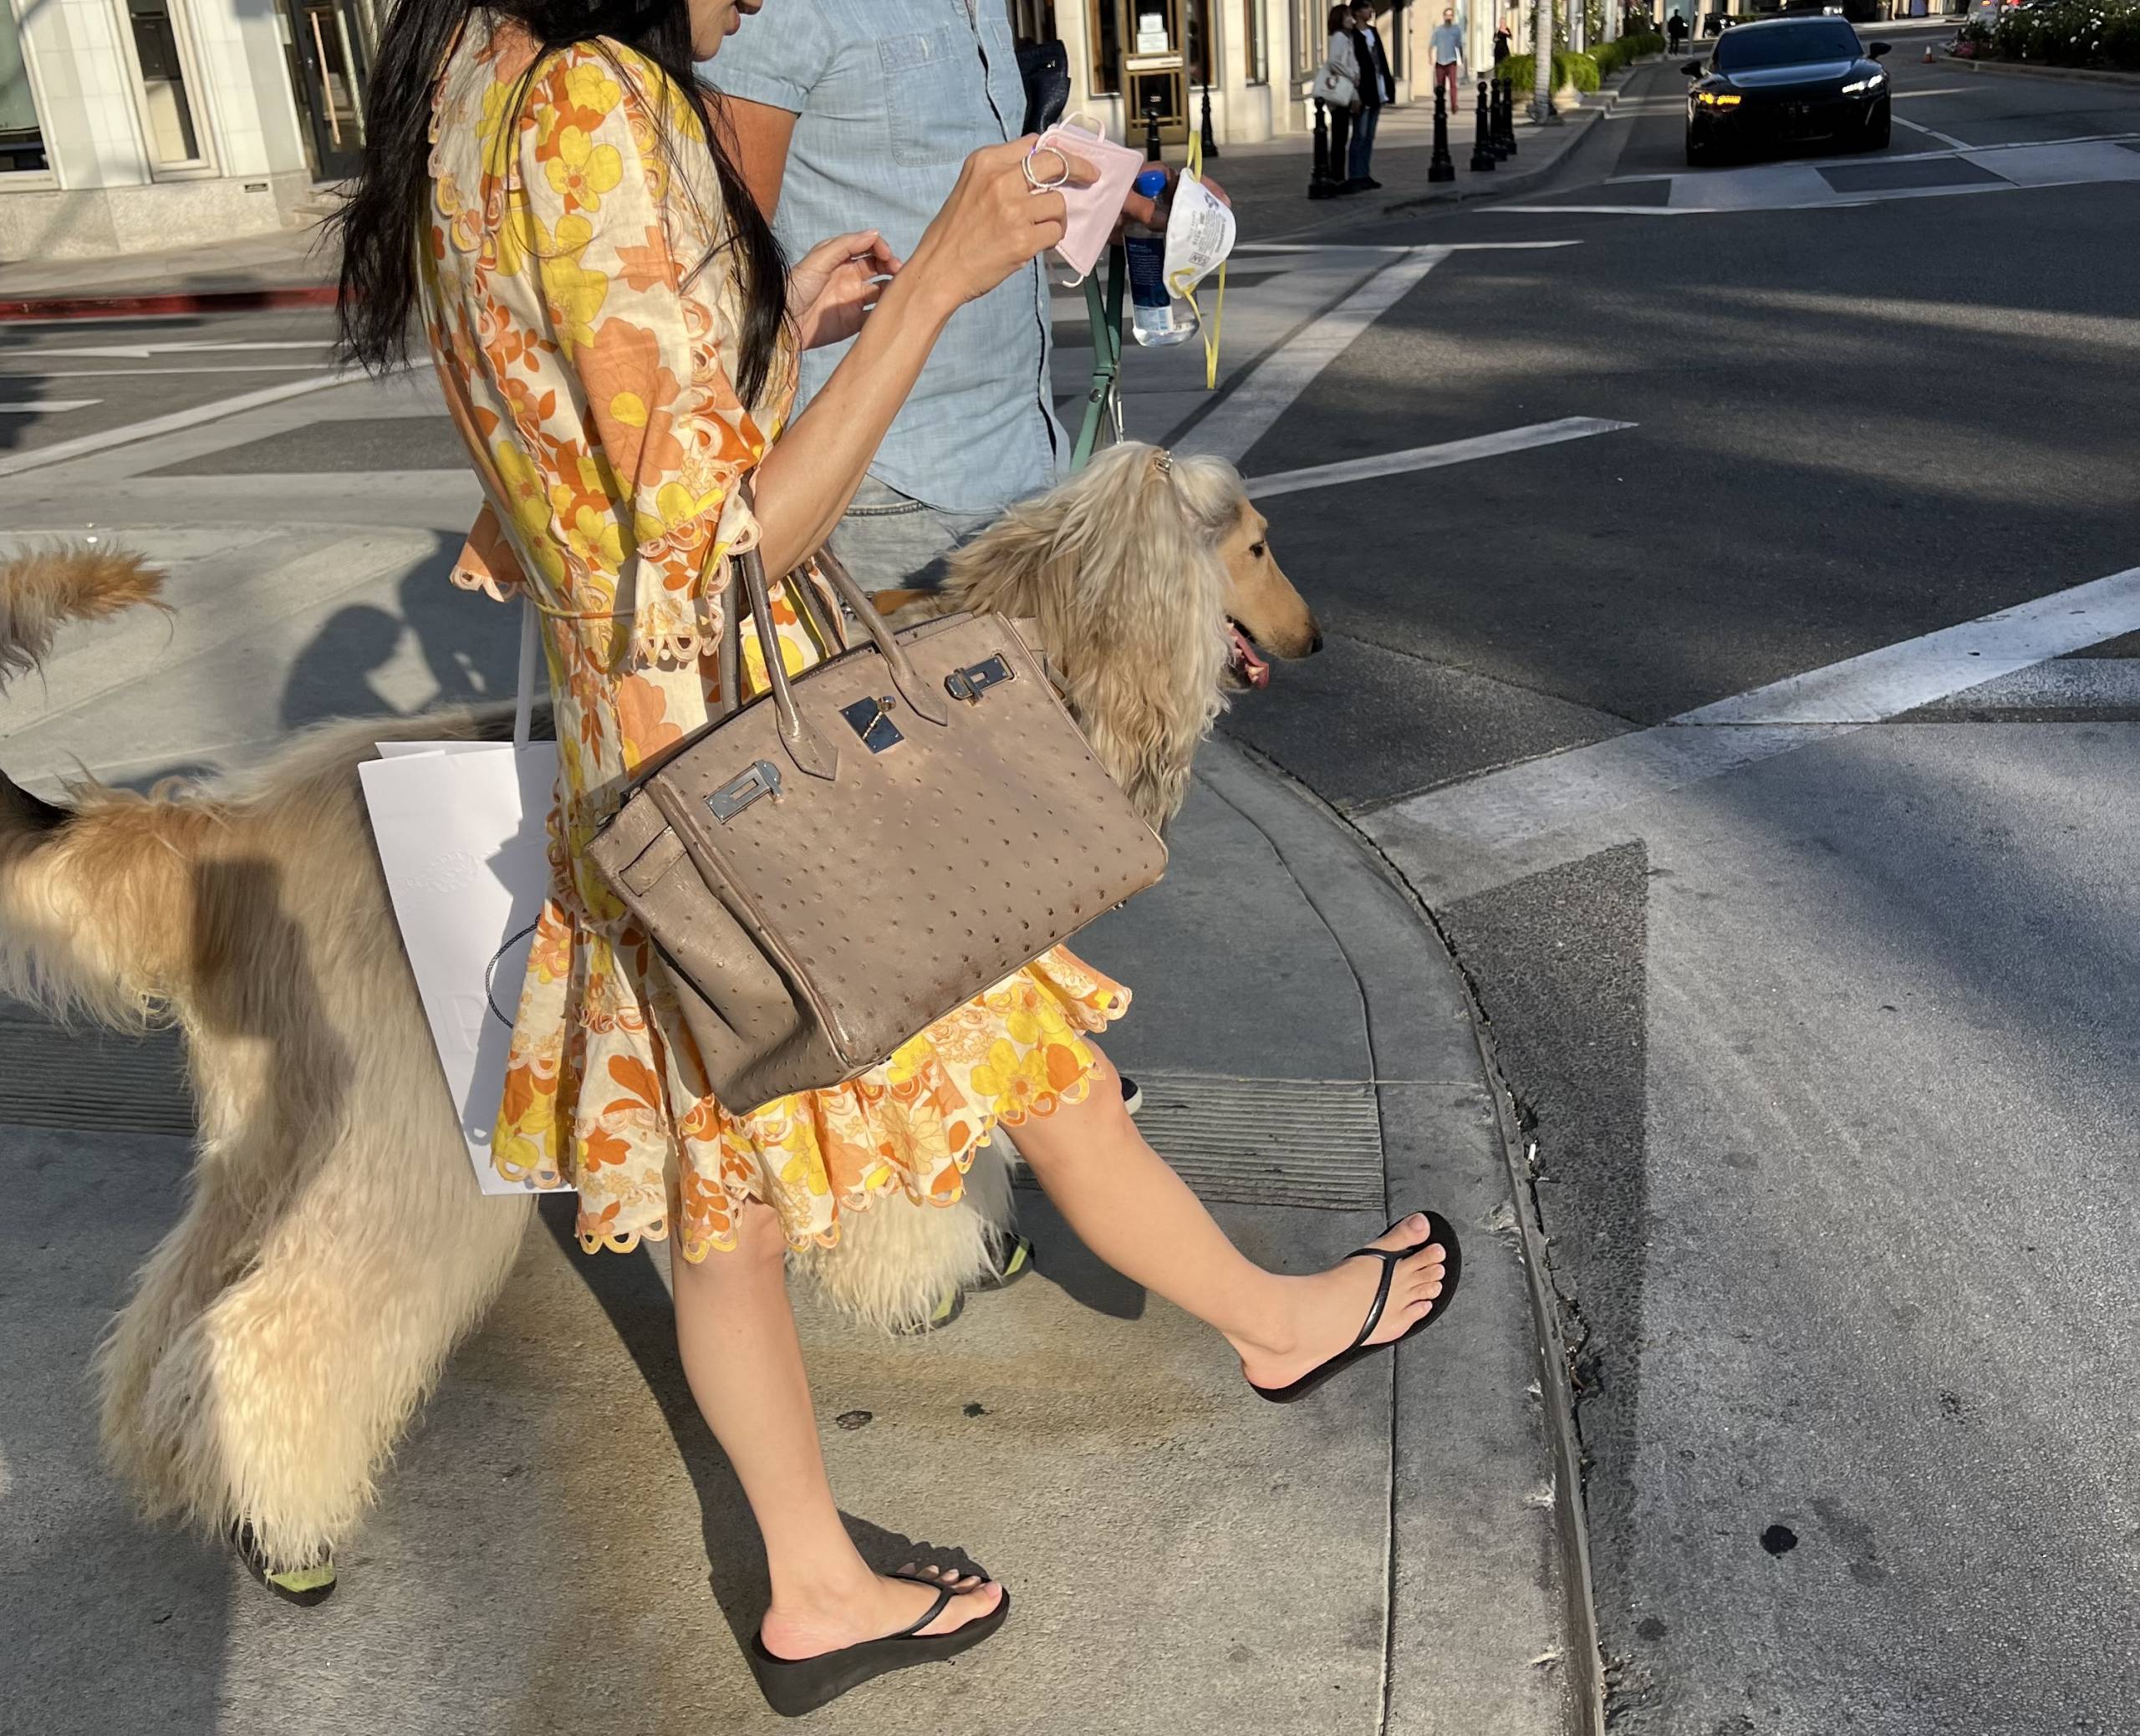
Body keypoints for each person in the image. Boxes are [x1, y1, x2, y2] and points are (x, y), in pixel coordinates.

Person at [334, 0, 1458, 1713]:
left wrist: (788, 337)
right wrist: (929, 288)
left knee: (735, 1202)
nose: (754, 7)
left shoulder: (462, 92)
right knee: (1024, 1046)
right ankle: (1268, 1327)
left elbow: (588, 465)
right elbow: (711, 555)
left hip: (639, 769)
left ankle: (814, 1582)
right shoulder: (587, 103)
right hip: (751, 755)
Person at [703, 0, 1055, 598]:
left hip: (1027, 458)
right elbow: (723, 280)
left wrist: (1096, 198)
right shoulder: (770, 10)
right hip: (883, 488)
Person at [1348, 3, 1394, 191]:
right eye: (1366, 8)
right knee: (1360, 134)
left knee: (1369, 136)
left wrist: (1389, 88)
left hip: (1378, 89)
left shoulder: (1373, 32)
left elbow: (1381, 61)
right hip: (1363, 91)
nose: (1370, 11)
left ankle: (1365, 174)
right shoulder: (1352, 35)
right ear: (1357, 12)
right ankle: (1355, 175)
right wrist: (1355, 94)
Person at [1318, 4, 1362, 196]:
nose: (1351, 20)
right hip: (1339, 94)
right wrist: (1352, 74)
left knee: (1341, 135)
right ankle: (1336, 175)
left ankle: (1336, 173)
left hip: (1346, 91)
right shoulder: (1339, 37)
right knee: (1339, 136)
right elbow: (1334, 62)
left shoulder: (1346, 37)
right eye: (1347, 17)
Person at [1429, 4, 1465, 115]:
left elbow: (1459, 45)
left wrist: (1461, 60)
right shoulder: (1438, 30)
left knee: (1453, 85)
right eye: (1447, 15)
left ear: (1453, 17)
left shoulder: (1456, 30)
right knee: (1440, 87)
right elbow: (1431, 45)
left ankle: (1454, 106)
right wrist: (1430, 57)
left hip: (1451, 61)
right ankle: (1440, 106)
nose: (1448, 17)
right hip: (1440, 62)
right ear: (1444, 17)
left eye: (1450, 15)